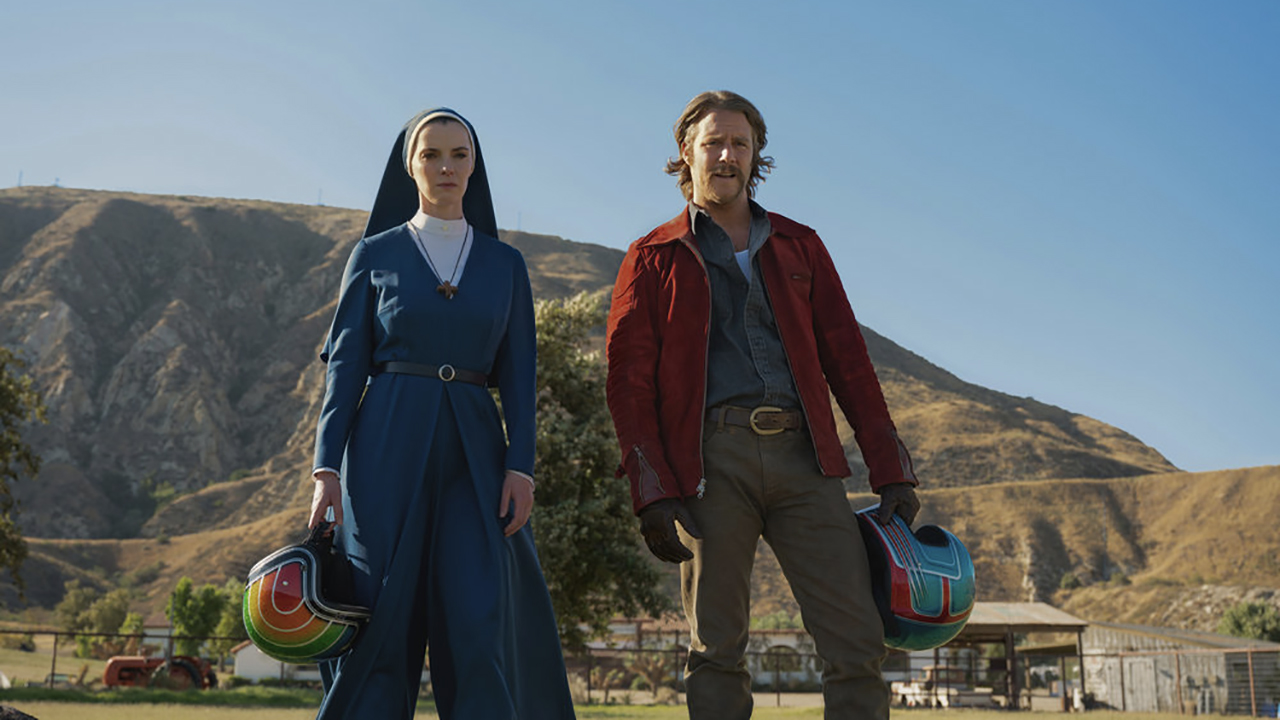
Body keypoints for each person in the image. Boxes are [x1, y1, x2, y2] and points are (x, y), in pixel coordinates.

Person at [605, 90, 921, 720]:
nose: (727, 155)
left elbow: (849, 363)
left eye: (740, 144)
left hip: (807, 462)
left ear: (756, 157)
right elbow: (628, 383)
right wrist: (652, 489)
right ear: (686, 155)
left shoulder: (802, 246)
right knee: (716, 647)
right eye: (713, 143)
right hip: (709, 464)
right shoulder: (652, 256)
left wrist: (891, 468)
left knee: (857, 642)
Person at [307, 107, 576, 720]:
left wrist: (522, 467)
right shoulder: (372, 254)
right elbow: (345, 371)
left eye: (459, 154)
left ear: (474, 166)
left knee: (476, 621)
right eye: (431, 154)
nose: (446, 166)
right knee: (379, 626)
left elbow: (521, 377)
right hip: (381, 452)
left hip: (477, 455)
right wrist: (326, 469)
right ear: (410, 165)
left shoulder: (506, 265)